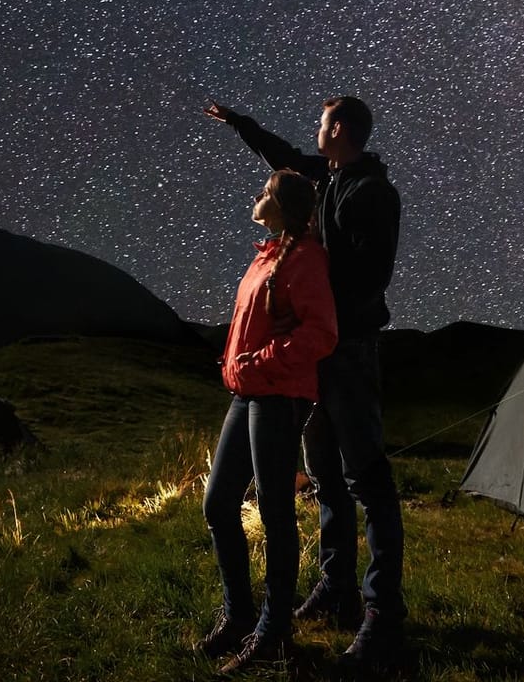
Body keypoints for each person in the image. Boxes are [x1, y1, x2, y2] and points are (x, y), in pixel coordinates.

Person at [206, 96, 406, 673]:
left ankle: (381, 616)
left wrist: (310, 293)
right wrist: (242, 123)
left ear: (339, 129)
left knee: (365, 475)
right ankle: (336, 587)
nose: (314, 134)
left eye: (321, 124)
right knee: (323, 473)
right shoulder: (326, 176)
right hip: (319, 353)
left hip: (348, 348)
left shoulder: (373, 193)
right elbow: (284, 158)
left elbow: (373, 276)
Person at [199, 169, 338, 674]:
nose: (255, 195)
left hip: (278, 395)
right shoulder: (269, 254)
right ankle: (240, 616)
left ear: (282, 205)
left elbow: (320, 333)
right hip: (249, 392)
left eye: (265, 191)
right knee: (219, 502)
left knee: (276, 511)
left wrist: (257, 363)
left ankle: (274, 631)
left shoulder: (305, 259)